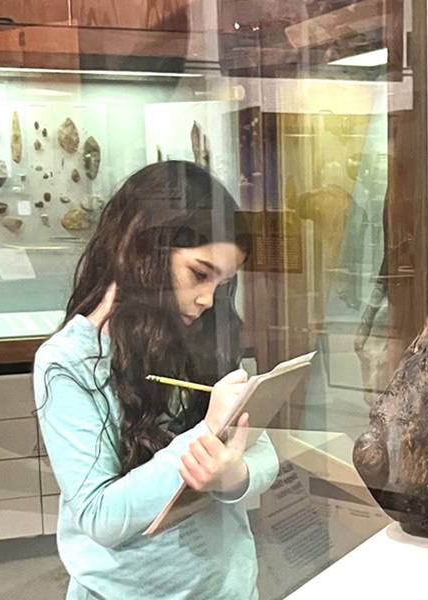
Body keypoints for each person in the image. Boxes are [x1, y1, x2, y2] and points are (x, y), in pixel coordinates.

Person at [33, 161, 279, 599]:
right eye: (199, 274)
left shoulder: (206, 335)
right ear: (142, 250)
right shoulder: (67, 362)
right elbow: (101, 515)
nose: (207, 299)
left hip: (226, 586)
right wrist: (205, 436)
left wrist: (232, 475)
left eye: (222, 283)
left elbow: (262, 451)